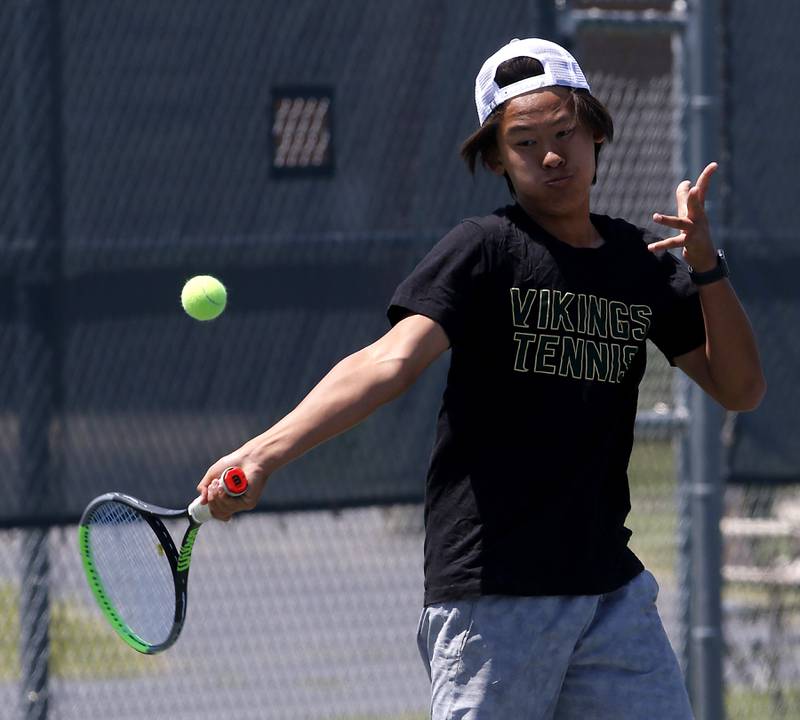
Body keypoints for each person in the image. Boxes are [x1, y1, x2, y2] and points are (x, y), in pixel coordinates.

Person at [197, 38, 765, 719]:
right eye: (526, 142)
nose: (552, 155)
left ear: (596, 132)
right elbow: (389, 361)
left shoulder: (636, 265)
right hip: (493, 600)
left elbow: (740, 389)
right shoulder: (486, 250)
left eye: (565, 133)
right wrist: (261, 453)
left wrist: (707, 266)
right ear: (497, 158)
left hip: (611, 599)